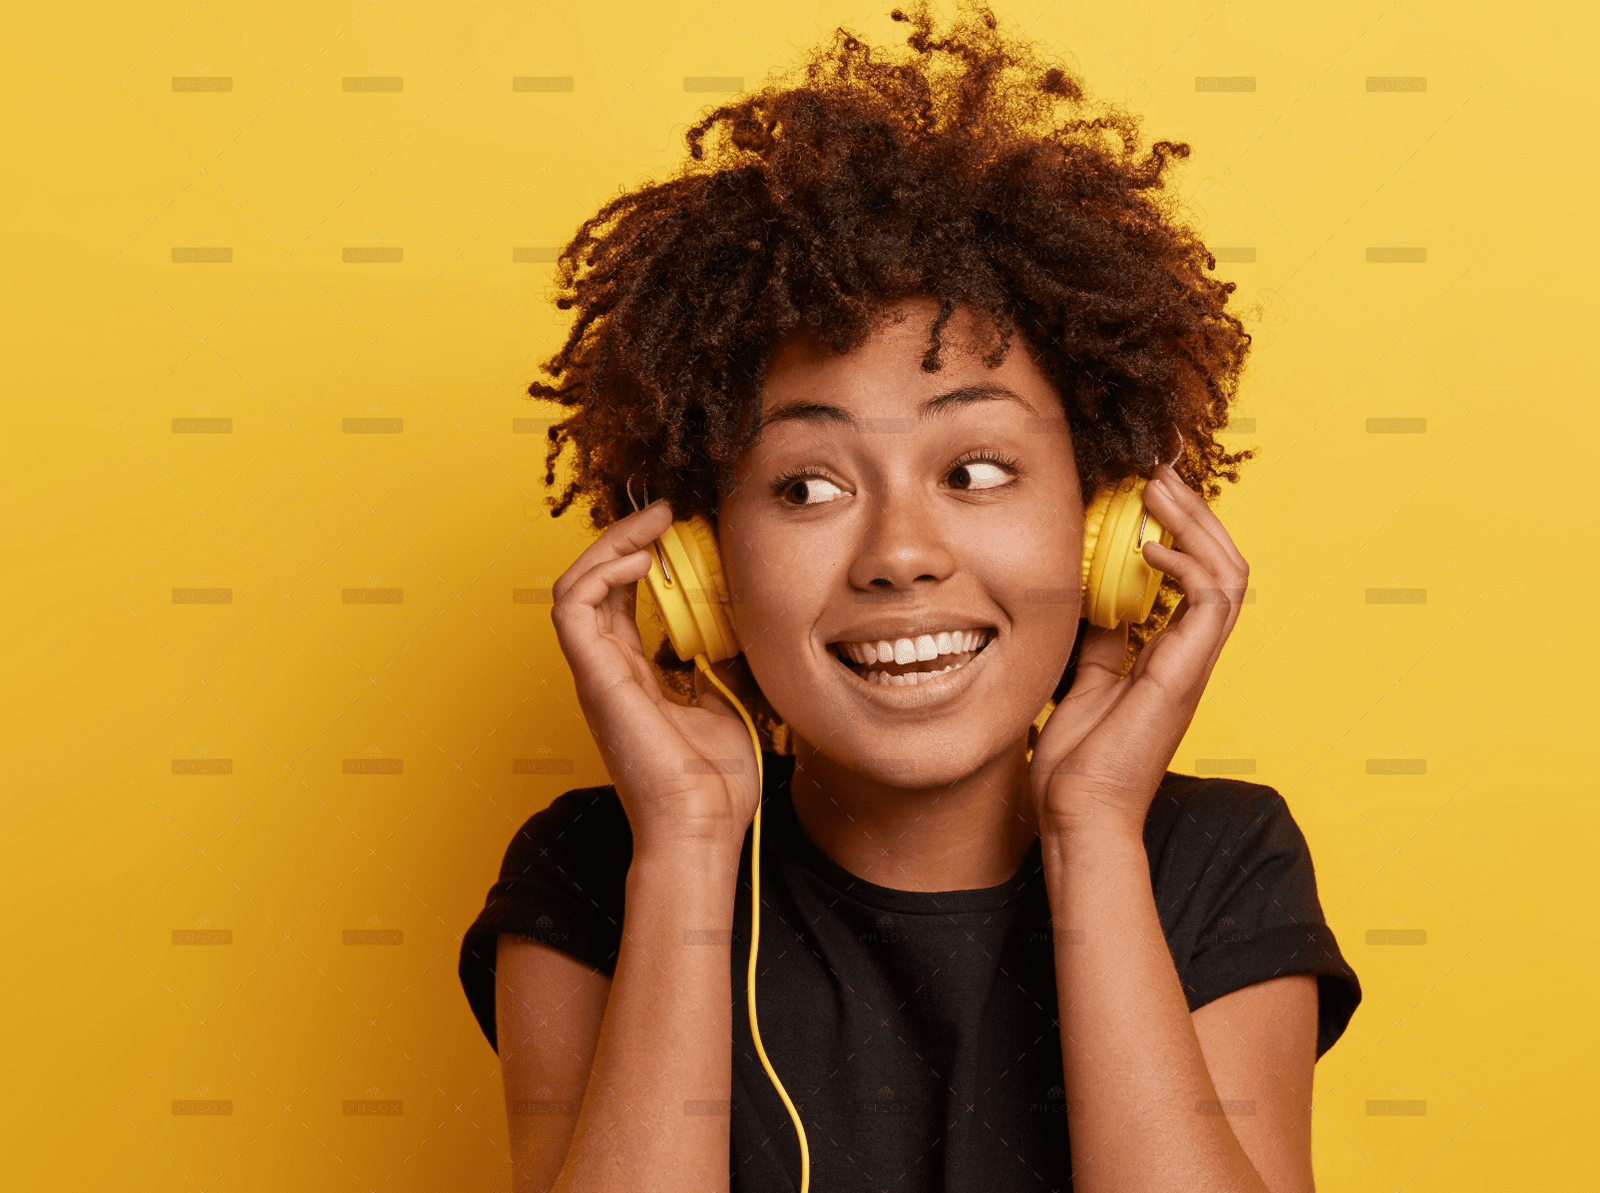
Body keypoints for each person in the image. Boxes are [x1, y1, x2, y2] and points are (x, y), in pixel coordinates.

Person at [458, 4, 1361, 1191]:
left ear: (1106, 528)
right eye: (806, 484)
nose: (901, 553)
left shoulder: (1215, 858)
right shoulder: (594, 864)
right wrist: (683, 843)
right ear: (703, 568)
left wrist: (1091, 828)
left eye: (975, 470)